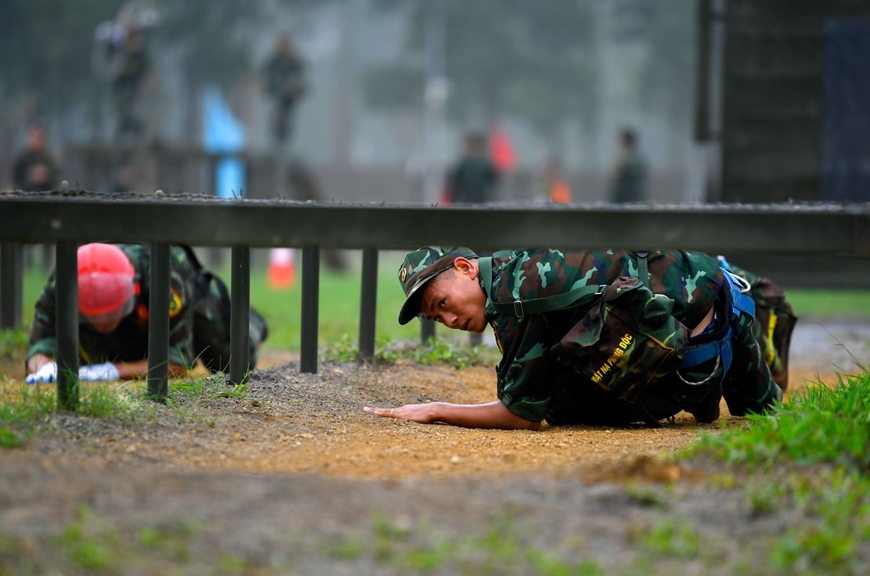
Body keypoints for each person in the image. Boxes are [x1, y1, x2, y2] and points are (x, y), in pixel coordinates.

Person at [363, 246, 786, 429]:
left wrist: (436, 409)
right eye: (435, 318)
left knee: (561, 400)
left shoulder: (512, 296)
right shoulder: (520, 263)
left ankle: (696, 395)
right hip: (730, 316)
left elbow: (522, 413)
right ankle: (704, 394)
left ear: (465, 267)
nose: (448, 318)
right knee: (768, 413)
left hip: (697, 356)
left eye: (441, 302)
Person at [24, 243, 268, 383]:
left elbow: (179, 362)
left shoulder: (165, 279)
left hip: (177, 313)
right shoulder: (64, 282)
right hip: (130, 330)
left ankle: (252, 323)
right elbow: (40, 344)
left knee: (232, 360)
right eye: (94, 317)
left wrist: (108, 372)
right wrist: (44, 368)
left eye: (111, 313)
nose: (102, 322)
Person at [13, 123, 59, 270]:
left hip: (46, 200)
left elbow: (55, 180)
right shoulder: (22, 158)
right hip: (26, 200)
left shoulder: (49, 158)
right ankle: (27, 262)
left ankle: (46, 262)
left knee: (47, 231)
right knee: (26, 230)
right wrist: (30, 180)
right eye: (34, 137)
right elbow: (16, 179)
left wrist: (45, 177)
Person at [262, 32, 307, 146]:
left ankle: (283, 141)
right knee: (277, 115)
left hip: (290, 96)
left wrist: (295, 86)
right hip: (276, 93)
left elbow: (301, 77)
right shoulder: (274, 60)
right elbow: (266, 75)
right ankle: (275, 139)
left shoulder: (294, 61)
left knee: (286, 118)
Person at [444, 133, 500, 204]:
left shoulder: (485, 164)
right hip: (466, 201)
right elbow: (456, 186)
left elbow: (492, 183)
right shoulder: (463, 164)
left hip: (481, 200)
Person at [610, 128, 648, 203]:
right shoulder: (626, 158)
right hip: (623, 200)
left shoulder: (635, 160)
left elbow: (623, 171)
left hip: (631, 200)